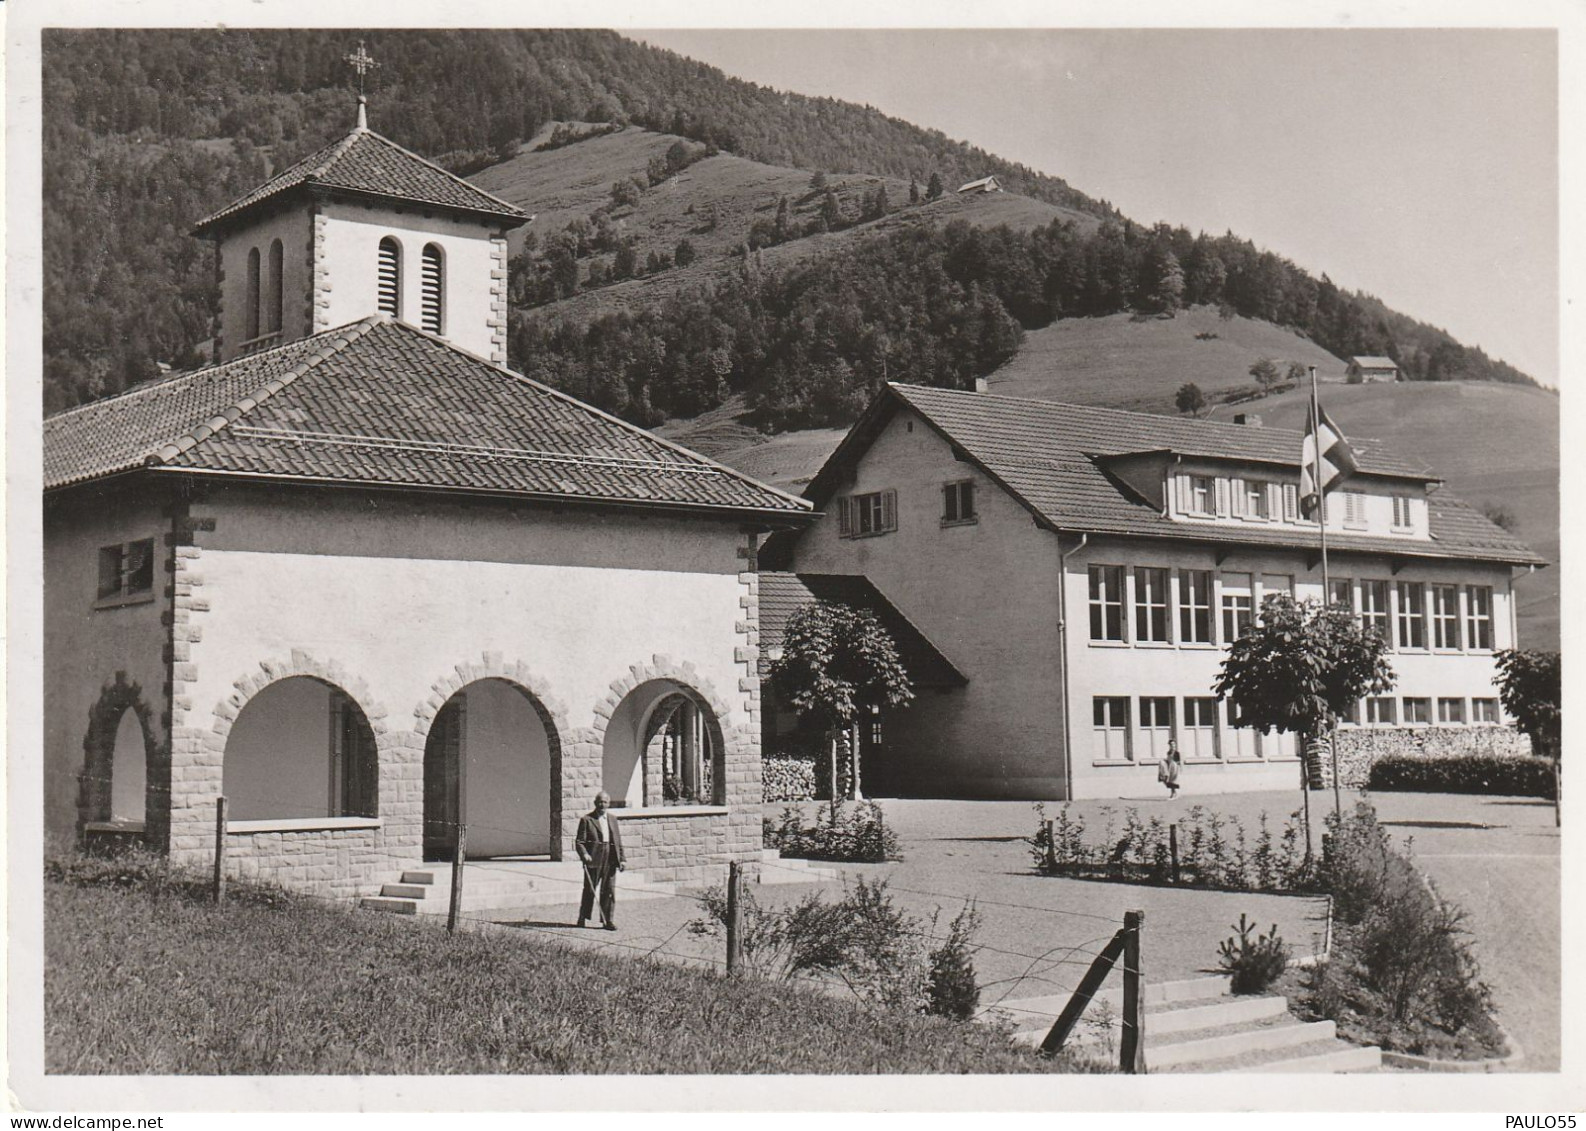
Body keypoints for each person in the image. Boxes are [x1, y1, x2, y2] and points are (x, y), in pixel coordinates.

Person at [576, 791, 625, 930]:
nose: (602, 805)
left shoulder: (613, 819)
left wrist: (622, 859)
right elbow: (579, 842)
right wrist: (584, 854)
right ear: (595, 803)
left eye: (604, 802)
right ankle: (582, 917)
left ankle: (607, 920)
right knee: (589, 890)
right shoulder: (587, 820)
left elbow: (618, 841)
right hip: (594, 857)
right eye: (599, 802)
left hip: (610, 858)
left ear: (608, 804)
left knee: (609, 890)